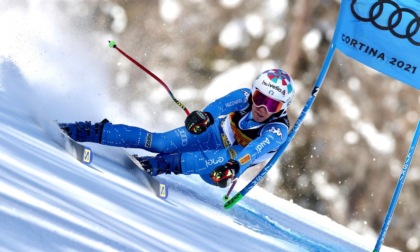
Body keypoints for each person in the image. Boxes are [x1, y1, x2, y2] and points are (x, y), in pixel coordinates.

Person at [59, 69, 295, 188]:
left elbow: (252, 150)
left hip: (223, 168)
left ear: (282, 107)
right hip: (213, 135)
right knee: (159, 142)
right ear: (253, 91)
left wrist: (234, 167)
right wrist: (204, 117)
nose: (262, 106)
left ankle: (163, 165)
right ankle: (89, 131)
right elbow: (218, 106)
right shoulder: (244, 97)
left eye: (272, 103)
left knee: (226, 156)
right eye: (259, 97)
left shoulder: (277, 131)